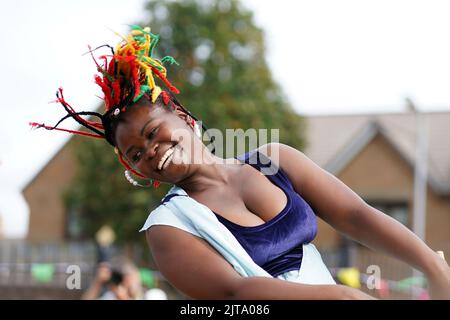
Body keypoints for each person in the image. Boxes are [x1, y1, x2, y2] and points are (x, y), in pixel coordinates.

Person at [32, 26, 450, 300]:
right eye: (136, 156)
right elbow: (236, 293)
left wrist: (431, 263)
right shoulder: (169, 227)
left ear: (182, 117)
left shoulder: (273, 160)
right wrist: (339, 295)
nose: (152, 152)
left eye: (153, 133)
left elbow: (356, 216)